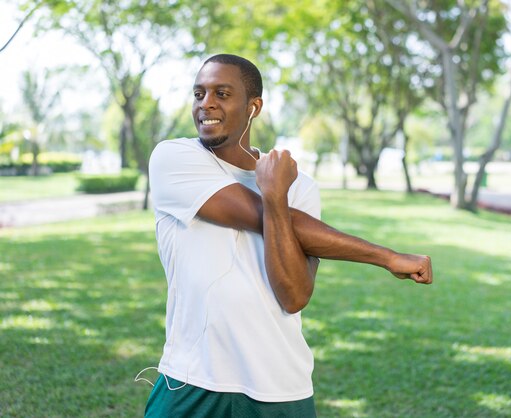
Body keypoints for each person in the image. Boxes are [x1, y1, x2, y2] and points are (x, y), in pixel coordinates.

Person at [143, 53, 433, 417]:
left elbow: (293, 294)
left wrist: (277, 193)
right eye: (199, 93)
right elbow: (253, 212)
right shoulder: (174, 158)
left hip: (280, 387)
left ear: (254, 107)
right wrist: (386, 257)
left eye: (222, 93)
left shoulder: (300, 187)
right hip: (191, 380)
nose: (207, 104)